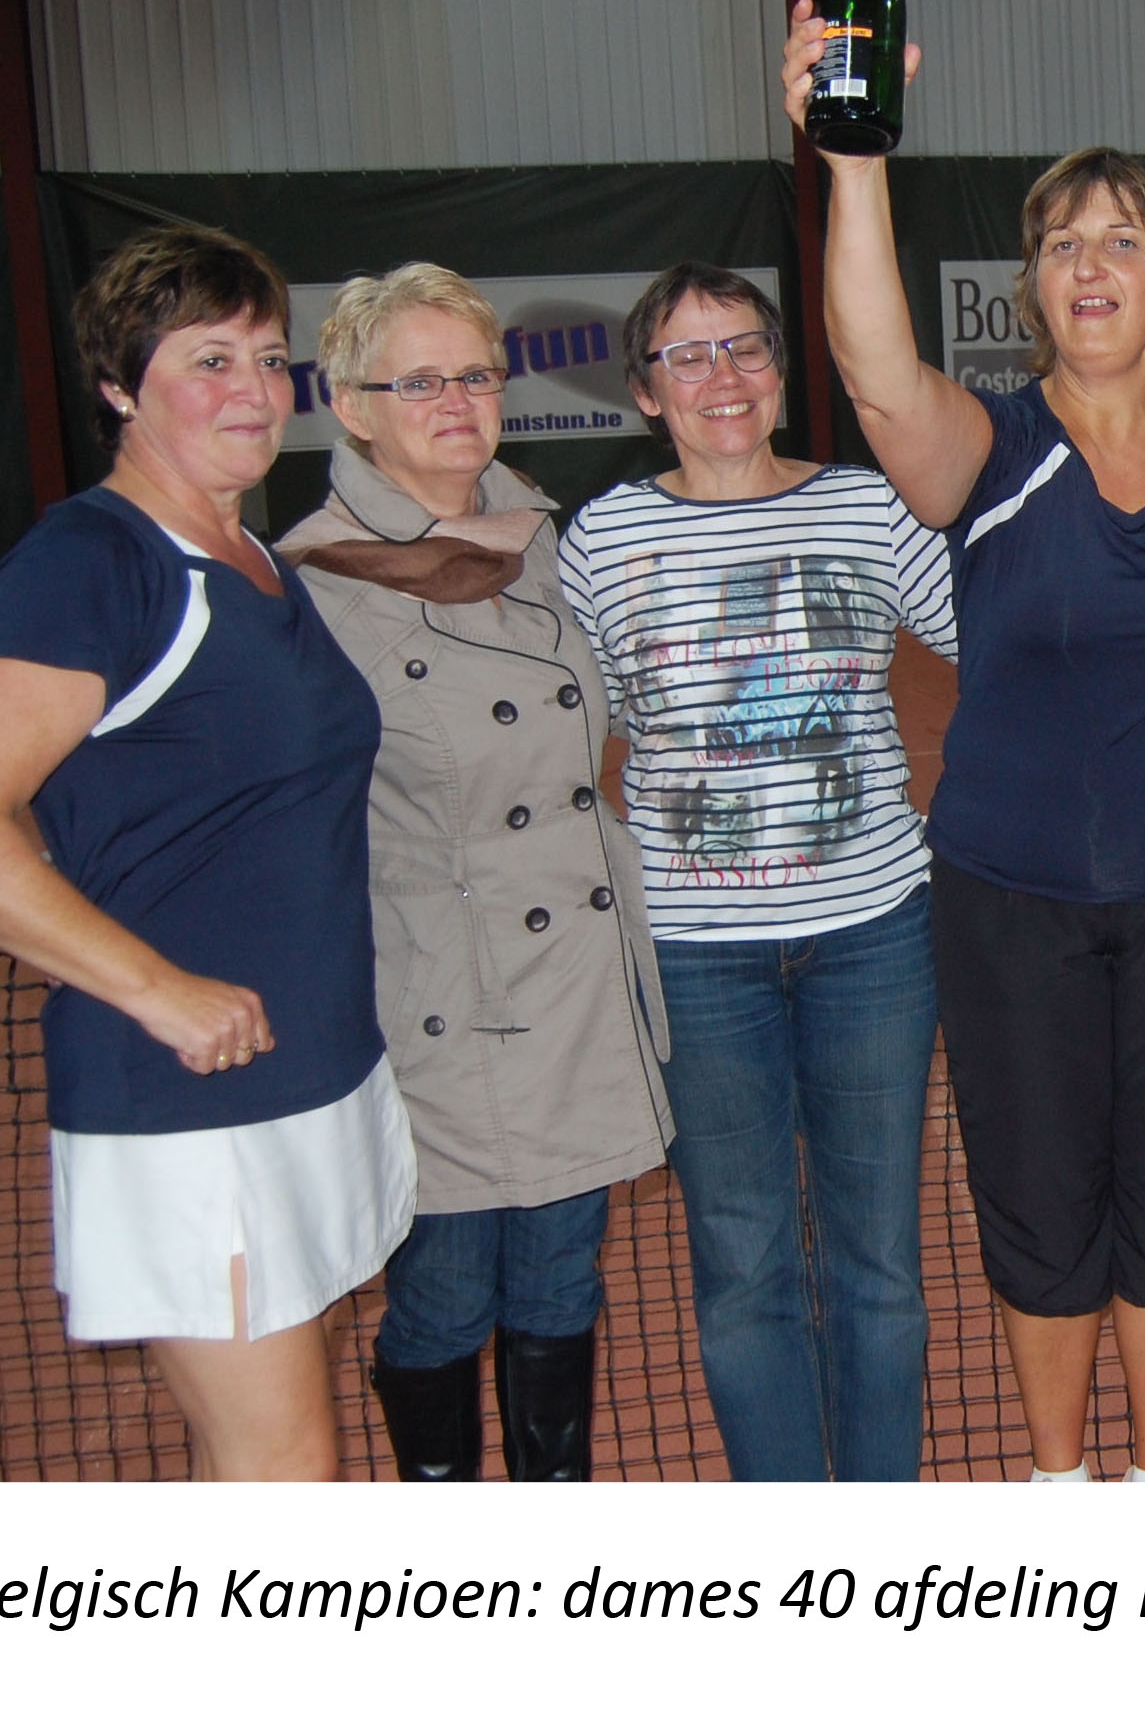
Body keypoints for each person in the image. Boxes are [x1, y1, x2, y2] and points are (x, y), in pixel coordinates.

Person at [783, 4, 1145, 1481]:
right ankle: (1062, 1482)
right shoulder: (991, 451)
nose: (1089, 264)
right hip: (1009, 901)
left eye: (1121, 240)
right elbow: (877, 371)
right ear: (1033, 287)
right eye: (1063, 243)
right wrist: (854, 160)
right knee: (1036, 1199)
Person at [0, 224, 414, 1480]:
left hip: (312, 1072)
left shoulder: (254, 563)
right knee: (284, 1474)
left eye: (269, 358)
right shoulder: (91, 562)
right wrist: (157, 990)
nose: (254, 391)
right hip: (190, 1104)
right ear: (120, 387)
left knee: (276, 1463)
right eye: (207, 360)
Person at [559, 262, 955, 1481]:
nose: (721, 377)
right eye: (687, 356)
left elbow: (1004, 629)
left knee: (879, 1262)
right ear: (645, 393)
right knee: (743, 1267)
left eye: (744, 348)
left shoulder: (868, 508)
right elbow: (567, 722)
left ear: (782, 373)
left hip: (874, 939)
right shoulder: (603, 537)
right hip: (693, 957)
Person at [278, 264, 674, 1482]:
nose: (456, 402)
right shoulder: (311, 583)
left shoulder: (539, 540)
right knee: (445, 1296)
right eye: (419, 383)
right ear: (352, 407)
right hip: (436, 1006)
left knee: (560, 1281)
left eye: (475, 376)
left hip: (572, 989)